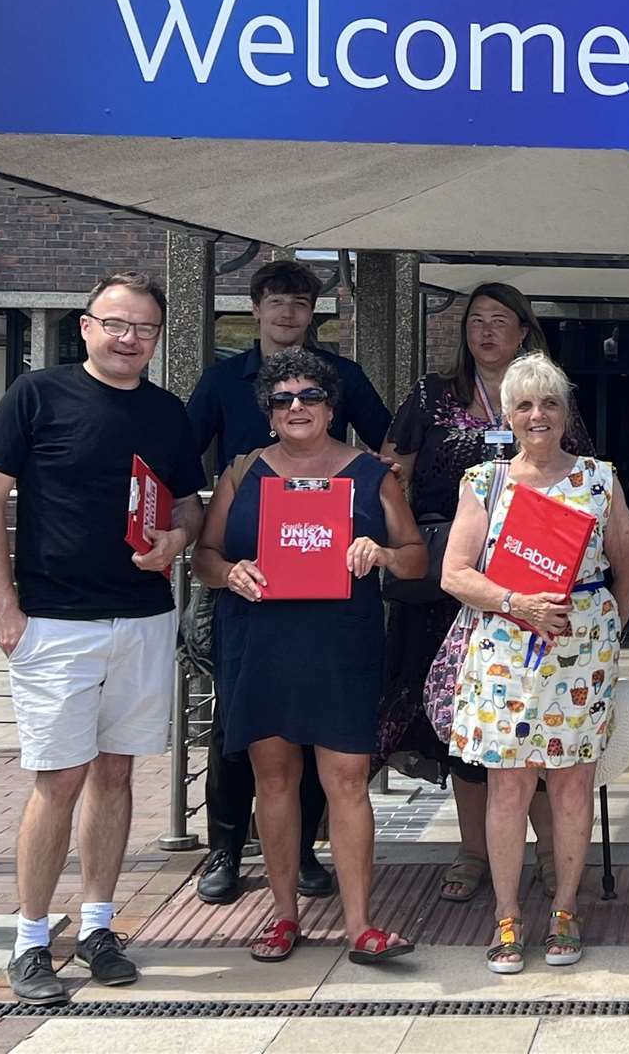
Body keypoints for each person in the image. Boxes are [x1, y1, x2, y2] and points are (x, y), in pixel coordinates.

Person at [0, 272, 207, 1005]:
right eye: (117, 324)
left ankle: (100, 925)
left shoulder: (168, 413)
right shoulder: (37, 394)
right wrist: (3, 603)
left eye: (144, 329)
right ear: (85, 326)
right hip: (54, 619)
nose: (129, 338)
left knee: (114, 774)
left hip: (140, 615)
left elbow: (190, 503)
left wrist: (175, 539)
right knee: (57, 779)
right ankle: (31, 937)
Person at [192, 347, 426, 963]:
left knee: (346, 780)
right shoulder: (242, 472)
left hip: (341, 643)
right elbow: (205, 557)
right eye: (282, 399)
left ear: (331, 406)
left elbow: (416, 557)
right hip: (260, 640)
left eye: (310, 397)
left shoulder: (373, 475)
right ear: (268, 410)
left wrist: (380, 553)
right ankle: (282, 915)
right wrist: (229, 572)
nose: (297, 408)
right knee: (274, 779)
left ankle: (360, 925)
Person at [187, 259, 393, 906]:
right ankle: (224, 849)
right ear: (255, 307)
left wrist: (372, 517)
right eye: (276, 301)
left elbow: (389, 447)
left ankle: (302, 850)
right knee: (235, 725)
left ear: (314, 313)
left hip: (327, 584)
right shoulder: (222, 380)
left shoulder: (344, 378)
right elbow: (181, 453)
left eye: (299, 303)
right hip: (247, 580)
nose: (286, 314)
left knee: (313, 728)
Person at [380, 284, 594, 904]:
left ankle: (554, 857)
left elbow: (580, 490)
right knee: (467, 734)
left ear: (524, 330)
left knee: (545, 728)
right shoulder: (431, 394)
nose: (486, 332)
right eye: (476, 321)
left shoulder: (547, 398)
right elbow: (390, 474)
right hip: (449, 587)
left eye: (500, 321)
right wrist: (412, 542)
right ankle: (473, 851)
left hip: (533, 594)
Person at [442, 353, 629, 974]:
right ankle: (507, 914)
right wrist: (516, 602)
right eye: (524, 405)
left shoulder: (598, 479)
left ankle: (564, 908)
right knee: (508, 783)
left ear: (565, 412)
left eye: (549, 403)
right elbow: (454, 573)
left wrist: (603, 635)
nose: (537, 416)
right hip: (506, 650)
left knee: (573, 781)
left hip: (579, 653)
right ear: (507, 414)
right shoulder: (484, 481)